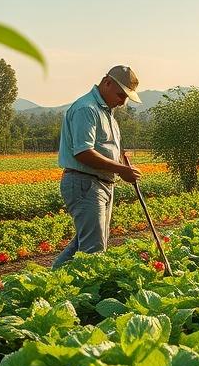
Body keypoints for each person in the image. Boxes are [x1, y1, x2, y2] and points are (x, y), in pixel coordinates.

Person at [52, 66, 143, 268]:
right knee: (93, 249)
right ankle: (87, 297)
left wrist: (122, 162)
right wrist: (121, 170)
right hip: (85, 183)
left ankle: (49, 282)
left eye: (127, 97)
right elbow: (83, 152)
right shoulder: (88, 109)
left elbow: (105, 147)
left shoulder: (106, 113)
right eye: (121, 95)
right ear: (107, 82)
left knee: (85, 244)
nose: (123, 101)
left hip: (100, 184)